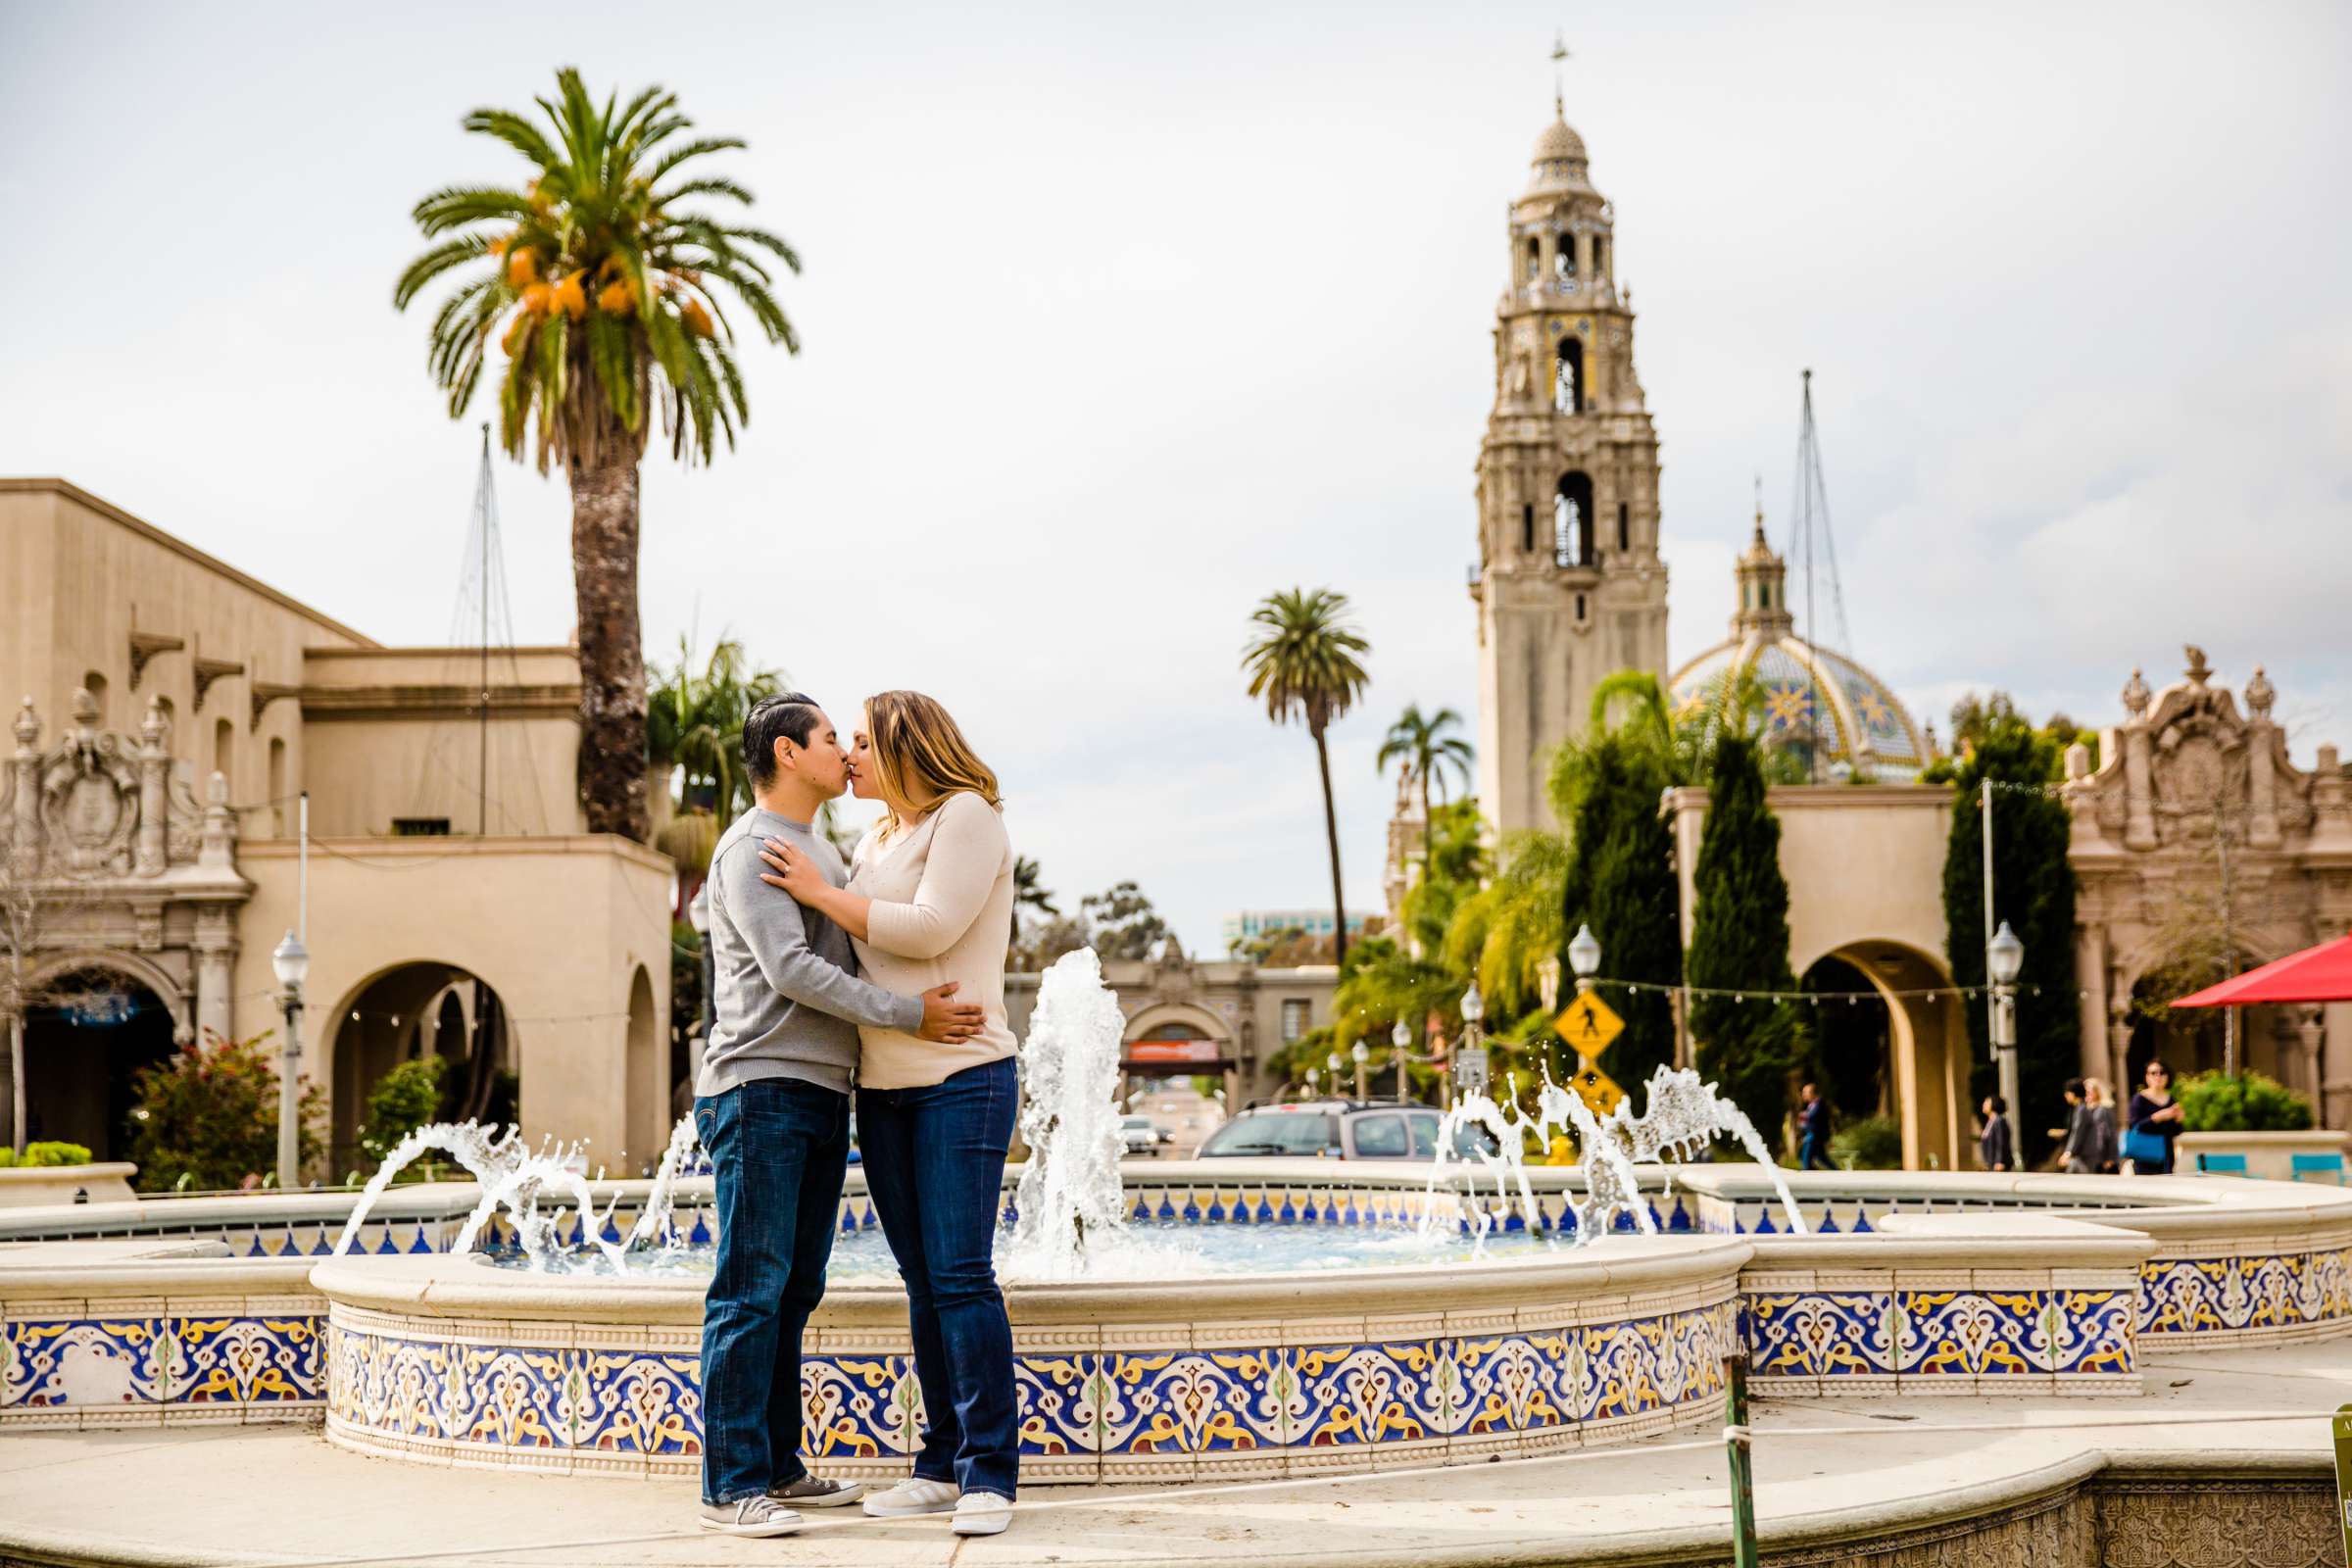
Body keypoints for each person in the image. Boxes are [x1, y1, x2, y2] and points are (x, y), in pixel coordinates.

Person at [694, 694, 984, 1539]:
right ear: (789, 754)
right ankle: (730, 1484)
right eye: (830, 739)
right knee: (749, 1290)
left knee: (794, 1288)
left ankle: (777, 1467)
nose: (845, 753)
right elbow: (787, 970)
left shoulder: (816, 849)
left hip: (820, 1091)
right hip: (759, 1088)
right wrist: (910, 1017)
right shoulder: (755, 847)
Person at [760, 690, 1022, 1538]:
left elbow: (928, 926)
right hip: (883, 1085)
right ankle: (940, 1463)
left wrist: (815, 889)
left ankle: (990, 1471)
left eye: (865, 742)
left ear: (907, 745)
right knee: (920, 1279)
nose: (851, 757)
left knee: (958, 1274)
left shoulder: (967, 816)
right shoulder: (877, 837)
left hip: (963, 1077)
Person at [2125, 1057, 2184, 1175]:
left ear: (2167, 1076)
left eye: (2162, 1073)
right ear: (2147, 1076)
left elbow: (2176, 1132)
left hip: (2166, 1156)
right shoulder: (2139, 1099)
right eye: (2153, 1073)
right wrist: (2158, 1117)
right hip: (2145, 1155)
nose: (2158, 1076)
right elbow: (2135, 1126)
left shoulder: (2171, 1099)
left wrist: (2179, 1120)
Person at [2082, 1078, 2120, 1172]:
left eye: (2089, 1092)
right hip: (2089, 1157)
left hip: (2103, 1158)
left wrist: (2111, 1158)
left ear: (2097, 1092)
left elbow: (2111, 1134)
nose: (2087, 1095)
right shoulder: (2085, 1110)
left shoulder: (2104, 1109)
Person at [1795, 1083, 1834, 1170]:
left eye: (1805, 1092)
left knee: (1806, 1160)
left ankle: (1808, 1174)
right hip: (1811, 1135)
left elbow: (1811, 1117)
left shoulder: (1819, 1103)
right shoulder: (1811, 1105)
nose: (1803, 1094)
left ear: (1812, 1093)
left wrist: (1803, 1116)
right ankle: (1839, 1173)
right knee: (1821, 1157)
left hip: (1814, 1136)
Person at [1979, 1094, 2013, 1172]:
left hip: (1998, 1165)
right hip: (1991, 1164)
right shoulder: (1990, 1122)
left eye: (1987, 1102)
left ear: (1994, 1103)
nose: (1984, 1104)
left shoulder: (1999, 1121)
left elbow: (2001, 1142)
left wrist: (1999, 1161)